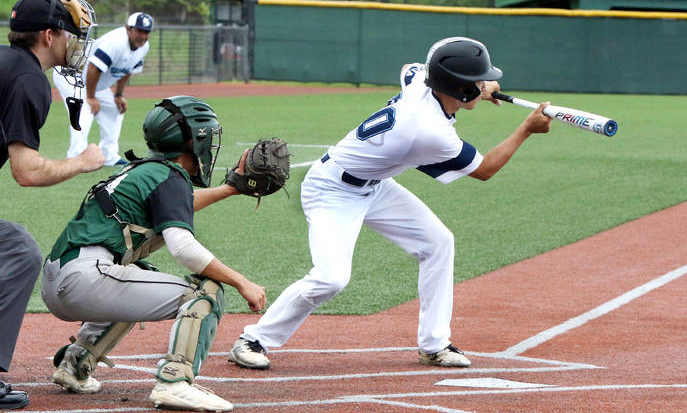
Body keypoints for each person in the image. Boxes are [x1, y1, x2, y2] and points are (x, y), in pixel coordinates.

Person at [227, 37, 552, 370]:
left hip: (376, 186)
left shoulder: (421, 84)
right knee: (331, 278)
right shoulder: (430, 132)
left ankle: (434, 344)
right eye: (475, 81)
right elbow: (485, 170)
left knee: (438, 243)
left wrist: (477, 84)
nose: (482, 84)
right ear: (460, 87)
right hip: (332, 190)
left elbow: (410, 68)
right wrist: (527, 128)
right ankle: (253, 339)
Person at [41, 95, 267, 412]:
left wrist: (229, 189)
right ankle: (175, 381)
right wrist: (242, 281)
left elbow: (176, 207)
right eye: (205, 135)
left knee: (141, 273)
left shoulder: (148, 171)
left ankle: (76, 362)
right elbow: (183, 248)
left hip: (60, 281)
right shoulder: (170, 176)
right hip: (86, 279)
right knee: (206, 291)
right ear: (191, 140)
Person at [0, 0, 102, 410]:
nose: (76, 42)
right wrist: (80, 162)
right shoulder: (27, 79)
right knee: (20, 251)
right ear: (48, 35)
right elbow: (26, 171)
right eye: (70, 33)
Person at [53, 12, 153, 166]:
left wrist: (119, 94)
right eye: (139, 30)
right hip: (72, 76)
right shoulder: (116, 42)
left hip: (93, 81)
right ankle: (76, 158)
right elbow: (94, 68)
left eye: (146, 32)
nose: (143, 35)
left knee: (114, 109)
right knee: (83, 113)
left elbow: (128, 70)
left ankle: (109, 156)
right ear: (128, 28)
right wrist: (91, 98)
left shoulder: (143, 47)